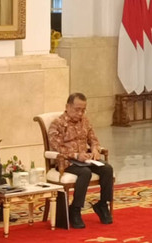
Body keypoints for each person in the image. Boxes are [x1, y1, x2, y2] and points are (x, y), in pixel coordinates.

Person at [48, 93, 114, 228]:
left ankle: (102, 204)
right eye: (77, 109)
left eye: (83, 110)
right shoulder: (57, 124)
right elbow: (57, 147)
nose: (80, 113)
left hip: (86, 160)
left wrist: (95, 150)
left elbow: (93, 139)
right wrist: (76, 155)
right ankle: (75, 209)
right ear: (67, 107)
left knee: (107, 169)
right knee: (85, 173)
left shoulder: (85, 121)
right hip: (66, 162)